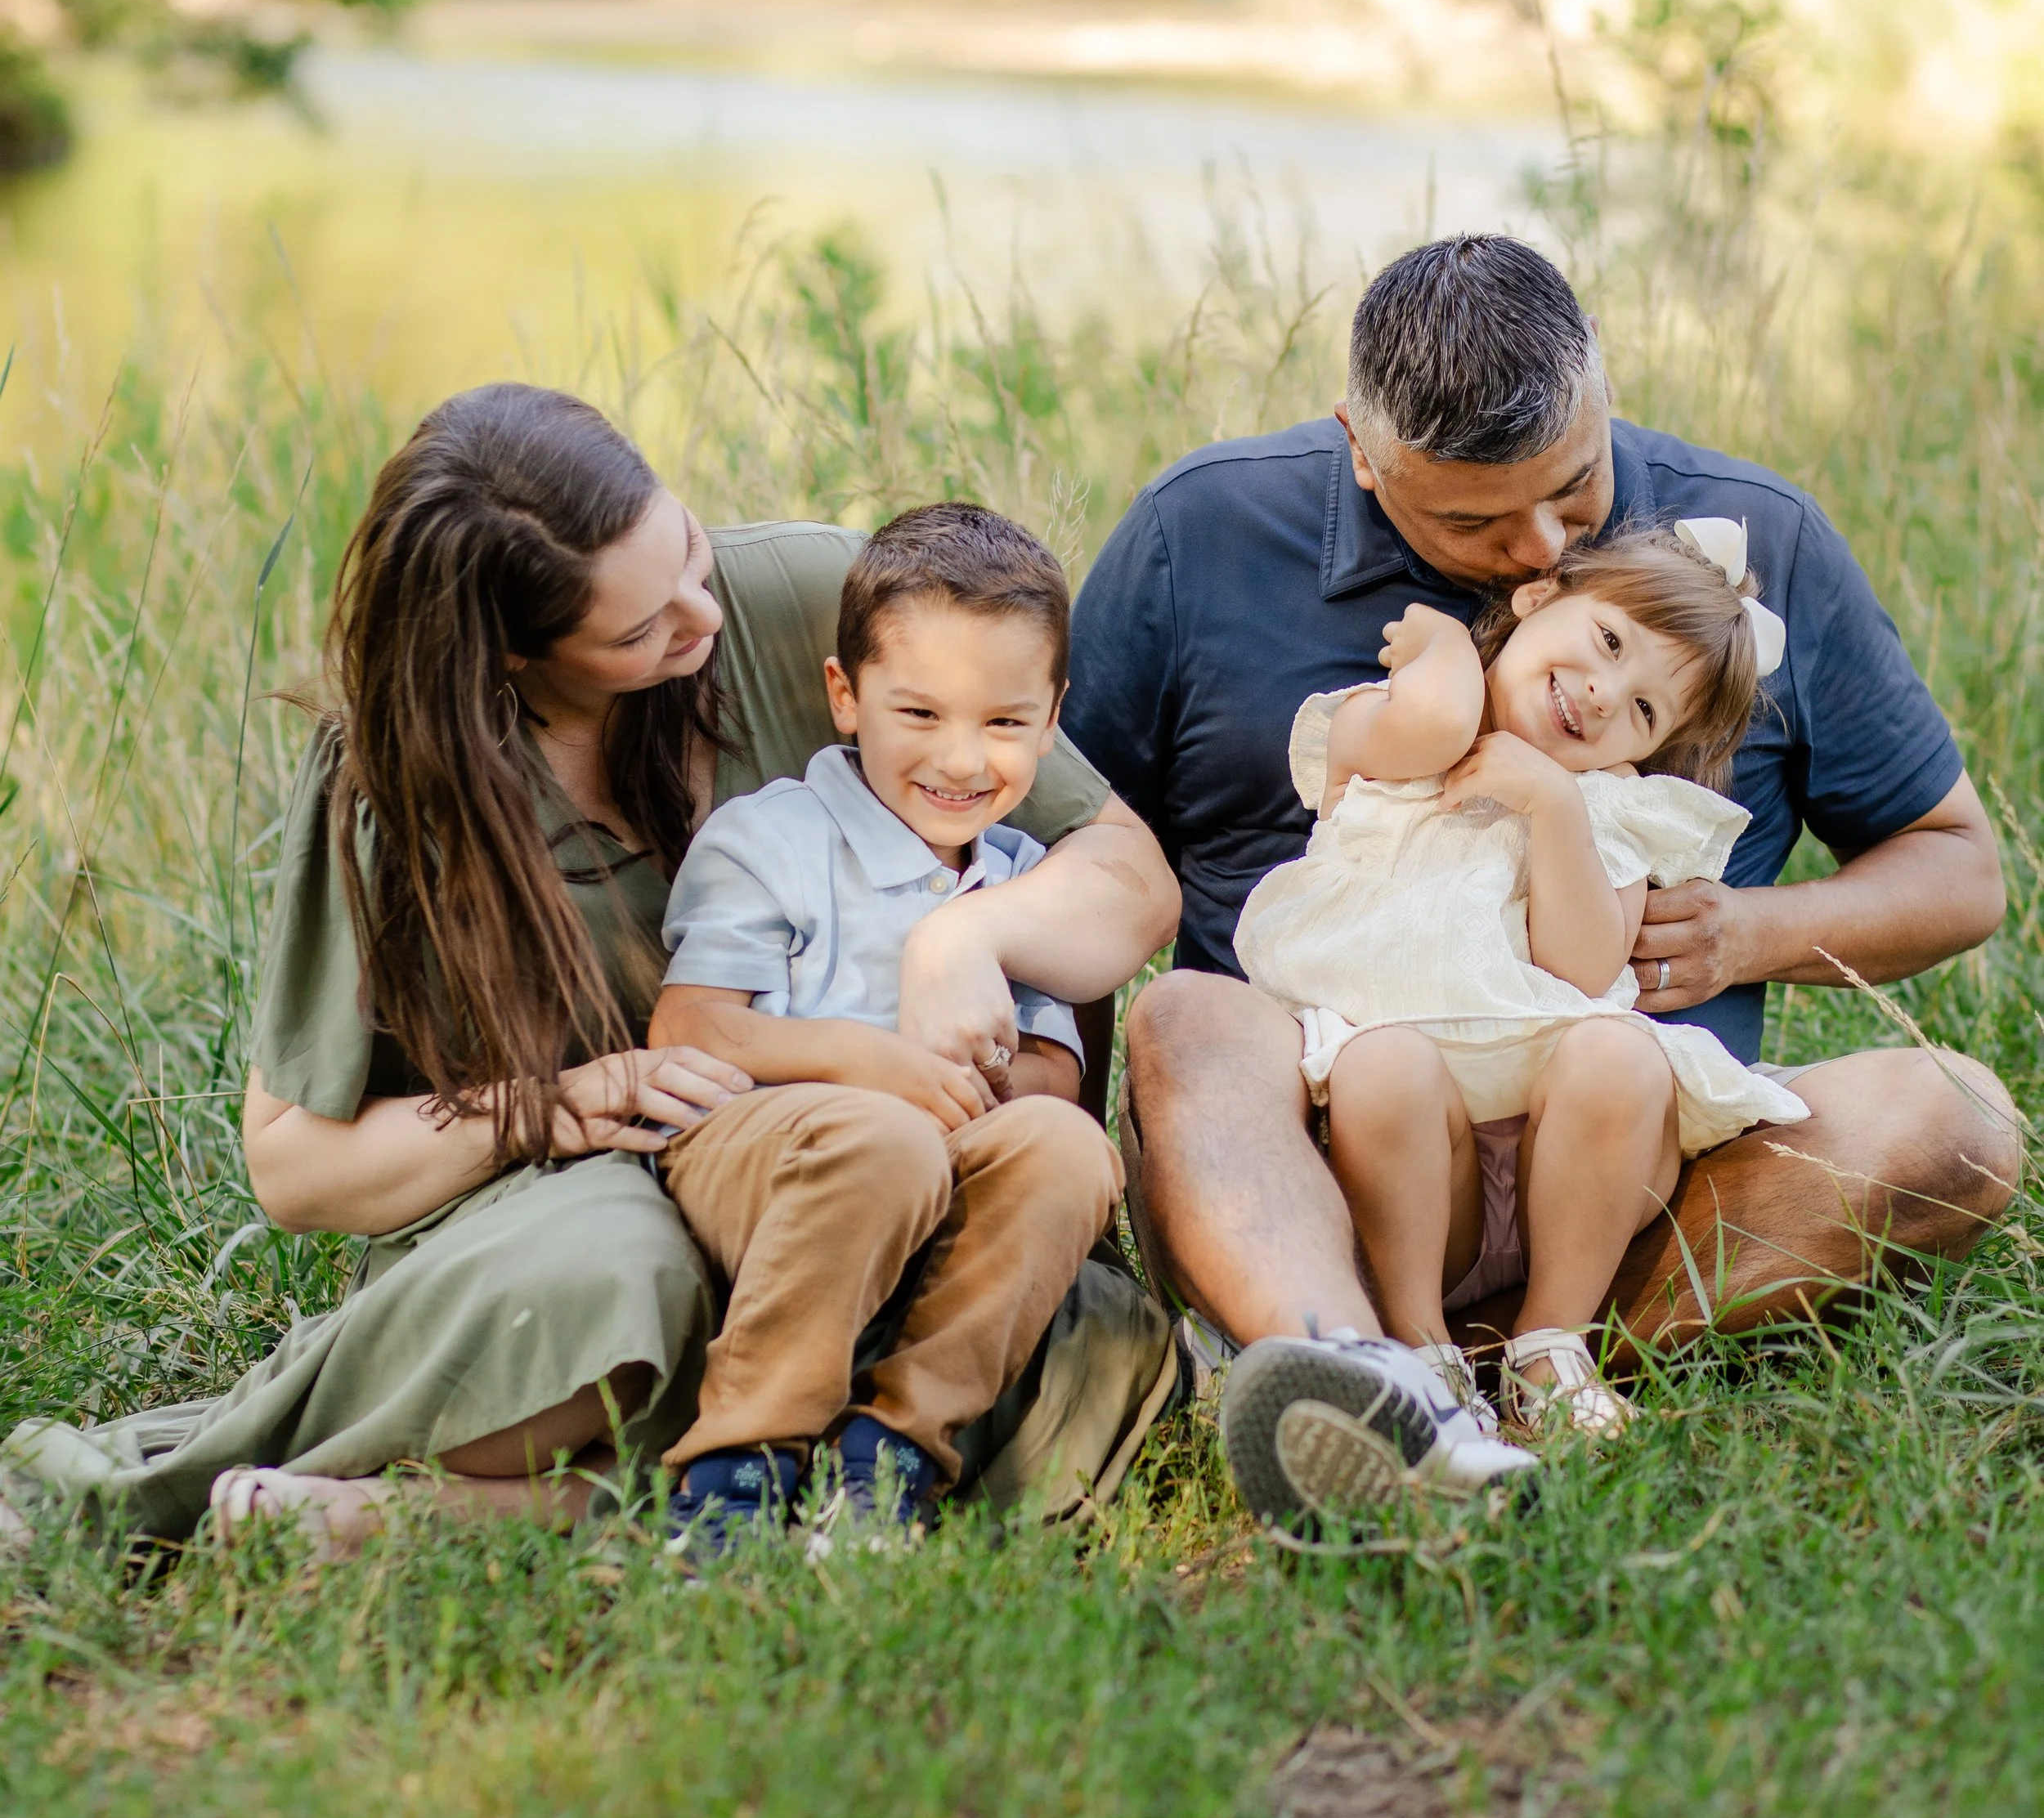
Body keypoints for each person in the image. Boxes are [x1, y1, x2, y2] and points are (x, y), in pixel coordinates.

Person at [0, 387, 1178, 1557]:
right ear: (513, 650)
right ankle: (502, 1496)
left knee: (1048, 1319)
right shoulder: (394, 778)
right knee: (632, 1282)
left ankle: (521, 1512)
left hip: (865, 1178)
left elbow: (1124, 874)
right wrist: (560, 1105)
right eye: (637, 632)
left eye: (688, 550)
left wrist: (961, 937)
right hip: (572, 1194)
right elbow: (297, 1168)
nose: (700, 618)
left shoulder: (822, 600)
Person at [1065, 235, 2017, 1531]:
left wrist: (1752, 931)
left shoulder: (1761, 549)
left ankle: (1524, 1365)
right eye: (1471, 518)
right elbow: (1063, 849)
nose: (1537, 550)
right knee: (1189, 1017)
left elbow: (1962, 869)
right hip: (1313, 1157)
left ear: (1603, 394)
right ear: (1359, 445)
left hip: (1630, 1174)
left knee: (1953, 1111)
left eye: (1575, 491)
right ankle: (1357, 1354)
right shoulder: (1201, 535)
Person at [1226, 531, 1820, 1509]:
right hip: (1417, 1174)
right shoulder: (1391, 731)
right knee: (1384, 1065)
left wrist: (1554, 811)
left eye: (1640, 709)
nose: (1598, 694)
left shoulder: (1614, 811)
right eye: (1609, 642)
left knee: (1616, 1053)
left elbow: (1585, 970)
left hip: (1575, 1170)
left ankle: (1551, 1345)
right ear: (1540, 593)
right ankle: (1420, 1355)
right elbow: (1433, 722)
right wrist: (1455, 646)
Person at [652, 504, 1130, 1556]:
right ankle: (738, 1470)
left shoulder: (1021, 886)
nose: (962, 759)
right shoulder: (772, 838)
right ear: (845, 697)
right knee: (884, 1134)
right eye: (918, 714)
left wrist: (991, 1088)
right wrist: (870, 1064)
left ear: (1052, 721)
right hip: (776, 1155)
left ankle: (893, 1455)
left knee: (1068, 1146)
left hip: (944, 1165)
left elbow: (1052, 1069)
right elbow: (692, 1032)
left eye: (1004, 724)